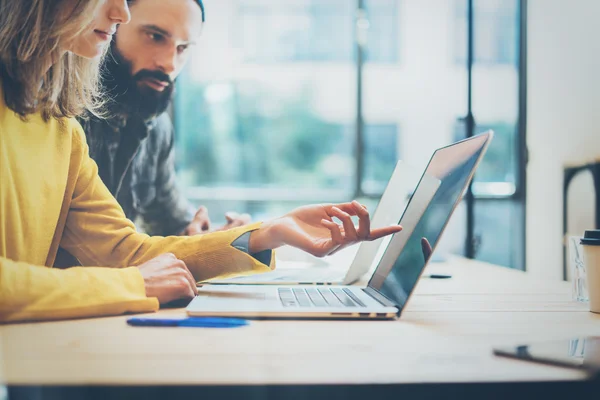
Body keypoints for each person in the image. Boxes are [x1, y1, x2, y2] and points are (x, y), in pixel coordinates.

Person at [0, 0, 401, 324]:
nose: (119, 13)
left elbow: (127, 251)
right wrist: (131, 284)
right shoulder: (70, 124)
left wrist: (269, 232)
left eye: (182, 48)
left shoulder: (59, 125)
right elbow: (132, 271)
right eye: (154, 35)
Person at [79, 0, 237, 239]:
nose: (170, 64)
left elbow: (172, 225)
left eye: (183, 48)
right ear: (113, 24)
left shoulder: (156, 127)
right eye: (155, 37)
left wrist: (214, 238)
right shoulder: (63, 113)